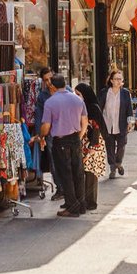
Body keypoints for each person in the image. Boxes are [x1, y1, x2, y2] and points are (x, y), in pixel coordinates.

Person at [40, 75, 88, 217]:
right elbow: (84, 121)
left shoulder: (50, 102)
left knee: (65, 174)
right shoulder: (78, 99)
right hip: (75, 138)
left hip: (60, 141)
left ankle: (73, 207)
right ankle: (80, 204)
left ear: (53, 87)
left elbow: (46, 126)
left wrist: (41, 136)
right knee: (78, 173)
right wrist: (79, 137)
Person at [74, 83, 107, 211]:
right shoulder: (85, 106)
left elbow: (96, 127)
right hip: (86, 142)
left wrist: (93, 145)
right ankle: (85, 201)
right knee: (85, 172)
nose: (76, 97)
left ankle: (91, 202)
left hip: (94, 143)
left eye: (78, 94)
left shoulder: (92, 107)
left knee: (91, 173)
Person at [97, 68, 131, 179]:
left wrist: (130, 122)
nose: (118, 81)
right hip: (108, 124)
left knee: (121, 145)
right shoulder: (104, 92)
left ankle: (118, 163)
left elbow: (129, 110)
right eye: (116, 79)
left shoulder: (125, 93)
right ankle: (112, 168)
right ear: (111, 80)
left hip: (121, 124)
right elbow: (99, 108)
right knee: (110, 147)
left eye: (120, 79)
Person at [33, 67, 61, 198]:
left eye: (50, 78)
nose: (49, 82)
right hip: (50, 133)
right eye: (46, 80)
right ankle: (60, 188)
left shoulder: (64, 91)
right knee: (54, 161)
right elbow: (39, 116)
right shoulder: (42, 96)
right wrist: (40, 135)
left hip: (66, 131)